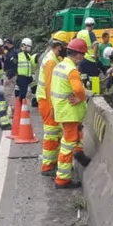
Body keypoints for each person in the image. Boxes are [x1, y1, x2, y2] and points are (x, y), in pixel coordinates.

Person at [49, 37, 92, 189]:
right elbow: (79, 90)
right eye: (83, 55)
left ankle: (79, 154)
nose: (82, 58)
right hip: (70, 112)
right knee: (67, 145)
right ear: (78, 55)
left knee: (75, 136)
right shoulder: (72, 70)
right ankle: (62, 180)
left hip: (61, 110)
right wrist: (81, 98)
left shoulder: (59, 66)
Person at [37, 39, 66, 176]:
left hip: (48, 101)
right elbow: (49, 85)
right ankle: (47, 166)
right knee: (51, 134)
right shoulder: (50, 61)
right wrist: (53, 106)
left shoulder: (53, 58)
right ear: (58, 47)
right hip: (47, 102)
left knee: (56, 134)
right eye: (62, 47)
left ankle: (52, 163)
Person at [75, 17, 101, 89]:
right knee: (94, 76)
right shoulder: (91, 33)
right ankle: (95, 91)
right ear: (93, 25)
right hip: (90, 58)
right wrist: (95, 56)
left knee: (83, 75)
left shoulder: (79, 33)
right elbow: (95, 45)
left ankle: (83, 90)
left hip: (81, 58)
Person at [15, 38, 36, 103]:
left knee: (34, 87)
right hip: (21, 76)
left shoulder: (28, 55)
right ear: (24, 45)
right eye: (29, 46)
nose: (29, 48)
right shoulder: (18, 54)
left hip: (28, 76)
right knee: (22, 93)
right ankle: (21, 107)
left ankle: (34, 101)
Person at [2, 38, 18, 118]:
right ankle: (11, 109)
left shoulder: (12, 53)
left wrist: (9, 77)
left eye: (6, 43)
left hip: (10, 75)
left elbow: (14, 66)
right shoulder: (8, 52)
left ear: (9, 43)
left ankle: (12, 110)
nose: (5, 45)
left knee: (9, 93)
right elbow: (5, 61)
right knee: (9, 93)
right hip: (9, 74)